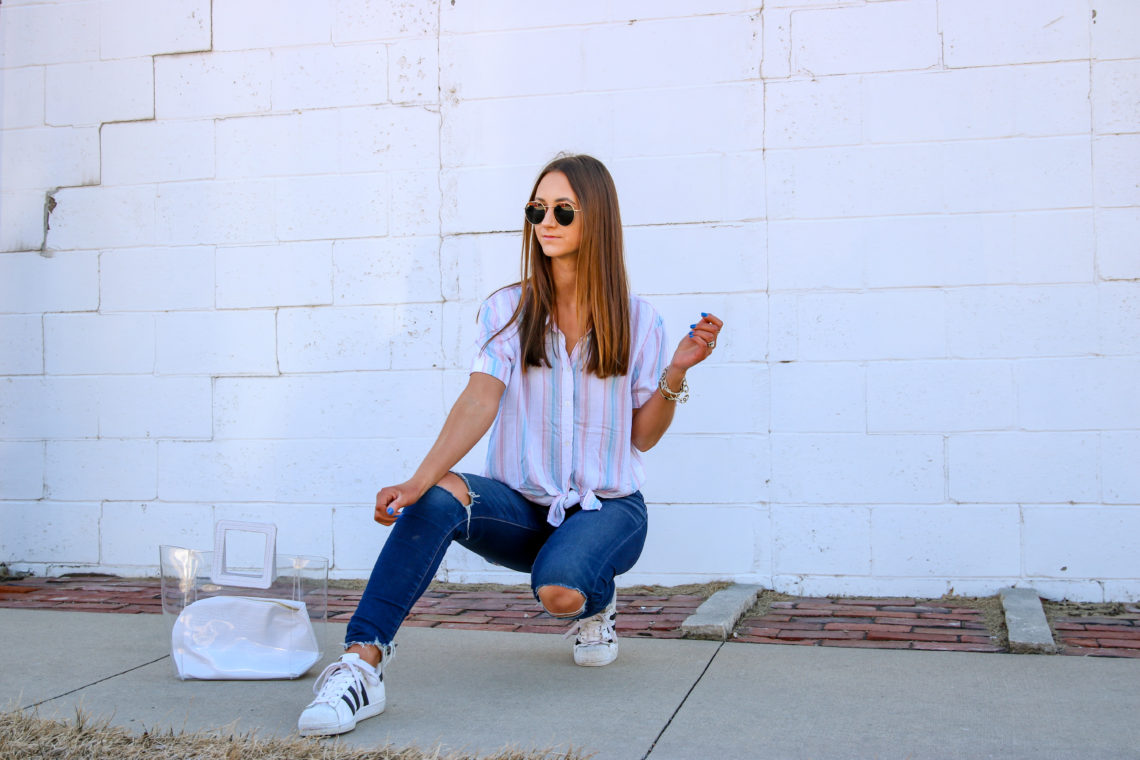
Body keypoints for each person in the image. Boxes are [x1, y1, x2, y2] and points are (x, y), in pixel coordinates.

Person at [298, 154, 724, 737]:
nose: (546, 221)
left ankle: (594, 599)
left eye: (563, 210)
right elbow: (480, 397)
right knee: (438, 496)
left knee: (560, 591)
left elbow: (642, 436)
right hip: (524, 507)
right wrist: (420, 480)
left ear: (595, 218)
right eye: (537, 209)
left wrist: (676, 370)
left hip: (611, 508)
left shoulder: (638, 321)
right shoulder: (508, 310)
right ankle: (360, 664)